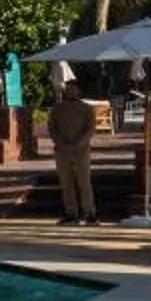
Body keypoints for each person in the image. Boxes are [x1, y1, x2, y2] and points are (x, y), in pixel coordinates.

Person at [47, 81, 98, 226]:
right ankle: (71, 213)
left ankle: (89, 213)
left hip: (81, 150)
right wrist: (60, 143)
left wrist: (79, 143)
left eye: (73, 89)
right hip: (62, 150)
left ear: (79, 91)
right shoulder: (57, 109)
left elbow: (91, 128)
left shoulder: (87, 109)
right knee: (66, 183)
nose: (70, 92)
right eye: (67, 89)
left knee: (84, 182)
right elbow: (52, 128)